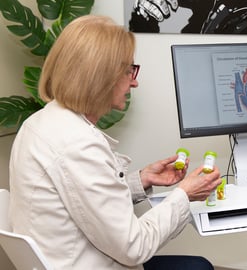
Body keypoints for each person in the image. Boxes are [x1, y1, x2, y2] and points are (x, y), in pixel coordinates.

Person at [8, 15, 222, 269]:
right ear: (100, 77)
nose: (134, 80)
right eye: (128, 70)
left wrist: (140, 180)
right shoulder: (77, 144)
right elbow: (135, 247)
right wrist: (184, 194)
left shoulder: (41, 122)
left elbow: (81, 201)